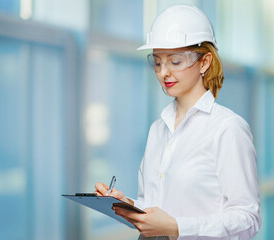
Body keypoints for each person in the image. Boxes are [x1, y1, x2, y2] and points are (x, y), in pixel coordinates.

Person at [94, 4, 261, 239]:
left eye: (175, 62)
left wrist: (178, 227)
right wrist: (127, 206)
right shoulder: (158, 130)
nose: (164, 73)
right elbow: (155, 207)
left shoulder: (227, 128)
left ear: (204, 63)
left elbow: (247, 218)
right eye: (158, 62)